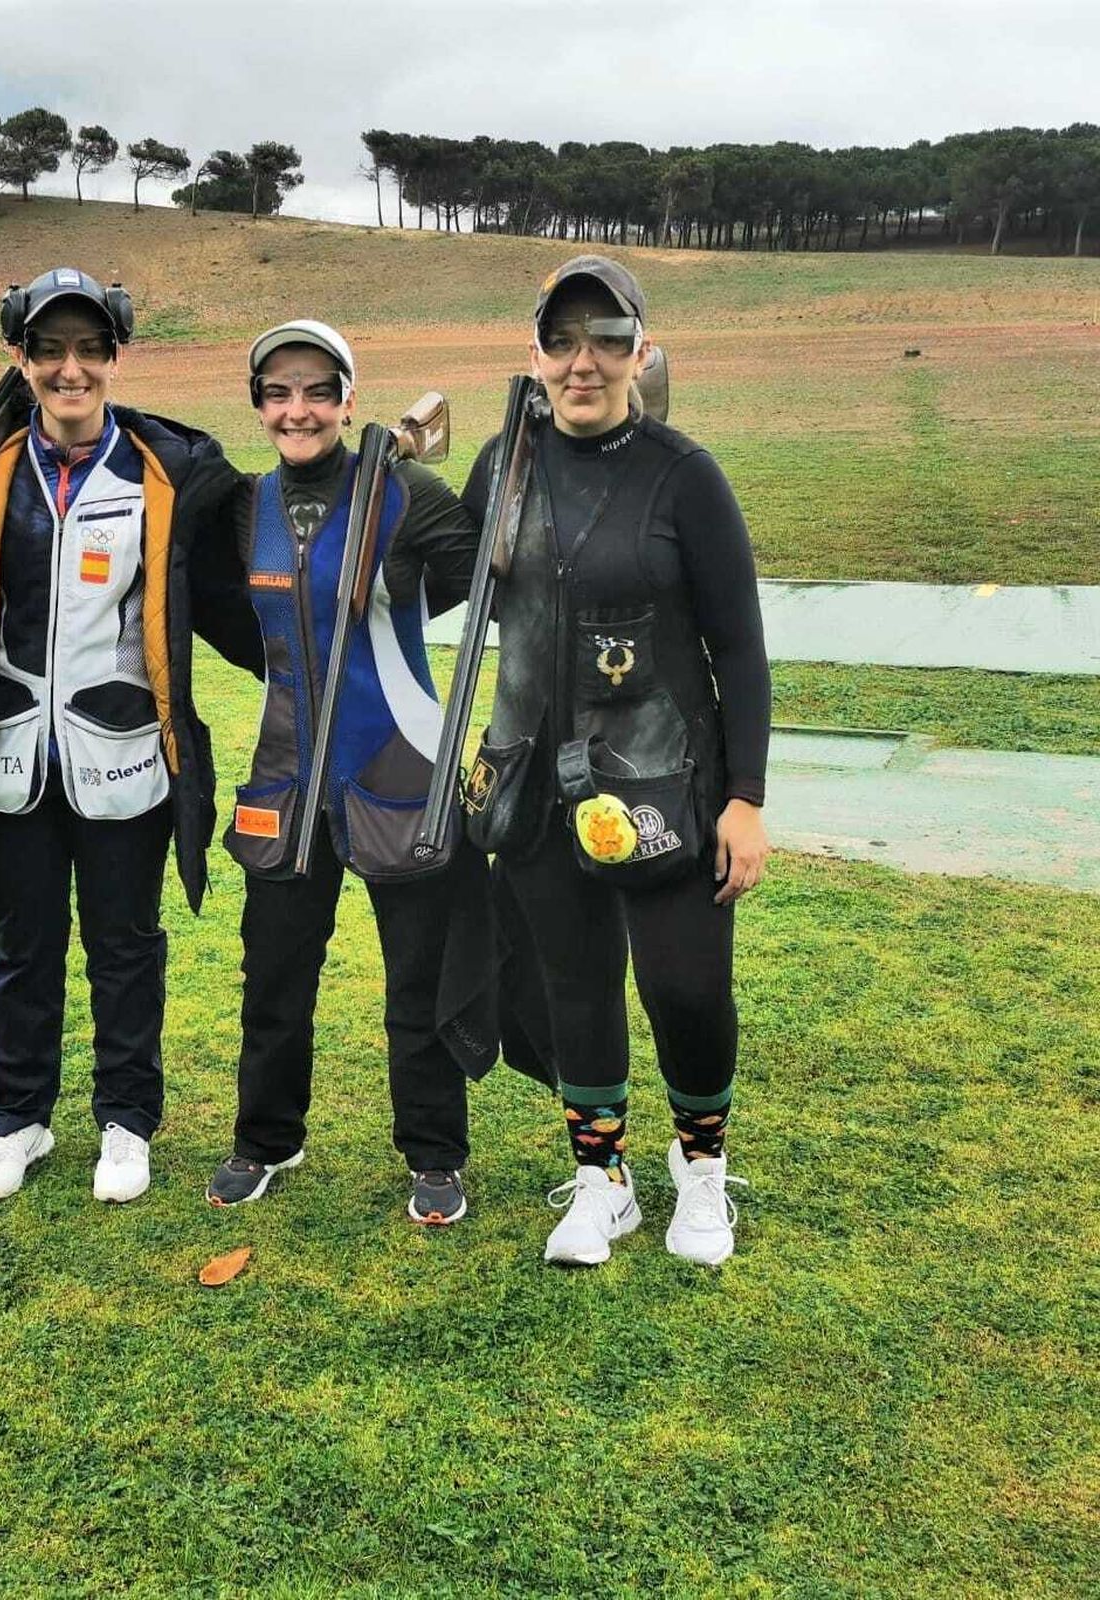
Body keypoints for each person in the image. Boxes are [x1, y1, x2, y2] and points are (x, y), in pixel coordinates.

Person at [0, 267, 260, 1206]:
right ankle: (19, 1120)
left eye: (90, 351)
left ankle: (126, 1122)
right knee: (21, 946)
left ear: (115, 358)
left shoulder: (164, 473)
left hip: (124, 753)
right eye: (50, 351)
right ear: (23, 358)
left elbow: (226, 599)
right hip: (6, 752)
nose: (70, 370)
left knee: (125, 945)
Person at [461, 257, 770, 1265]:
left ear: (640, 348)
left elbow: (740, 649)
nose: (580, 360)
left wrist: (744, 799)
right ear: (534, 350)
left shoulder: (686, 475)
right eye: (561, 339)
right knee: (573, 987)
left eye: (605, 337)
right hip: (532, 786)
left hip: (665, 785)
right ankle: (603, 1181)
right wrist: (393, 467)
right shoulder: (500, 465)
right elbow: (436, 586)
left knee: (683, 988)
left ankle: (702, 1173)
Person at [204, 320, 487, 1225]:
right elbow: (239, 622)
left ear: (348, 399)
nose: (299, 409)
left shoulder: (406, 493)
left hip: (398, 760)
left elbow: (481, 577)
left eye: (318, 390)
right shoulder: (245, 507)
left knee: (418, 976)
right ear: (259, 408)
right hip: (286, 772)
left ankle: (435, 1155)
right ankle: (265, 1141)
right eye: (279, 392)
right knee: (275, 974)